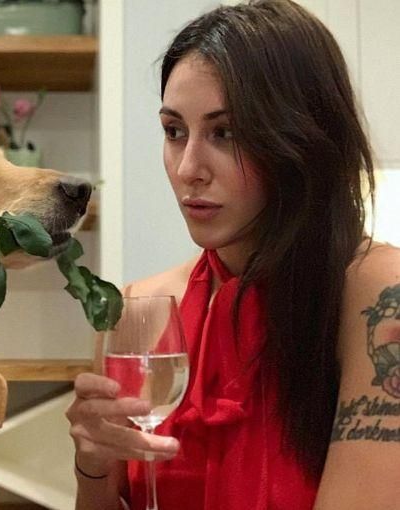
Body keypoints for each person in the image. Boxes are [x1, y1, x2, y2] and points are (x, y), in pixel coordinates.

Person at [66, 1, 400, 509]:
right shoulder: (136, 310)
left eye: (226, 133)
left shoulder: (380, 295)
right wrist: (93, 467)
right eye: (174, 131)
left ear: (303, 138)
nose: (188, 168)